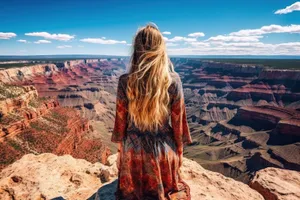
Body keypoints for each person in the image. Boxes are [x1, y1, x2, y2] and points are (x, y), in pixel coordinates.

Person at [111, 23, 192, 200]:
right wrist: (178, 154)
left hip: (133, 153)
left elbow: (120, 121)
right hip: (163, 152)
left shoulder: (125, 81)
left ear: (136, 49)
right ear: (160, 49)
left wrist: (121, 154)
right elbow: (179, 122)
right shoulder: (173, 80)